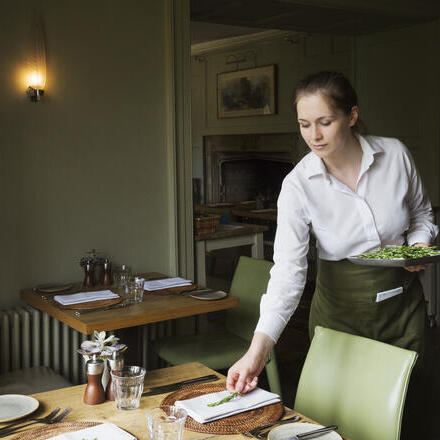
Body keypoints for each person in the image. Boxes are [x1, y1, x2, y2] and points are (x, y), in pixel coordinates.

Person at [226, 71, 438, 396]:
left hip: (402, 312)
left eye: (324, 122)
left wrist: (418, 245)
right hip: (339, 319)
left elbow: (422, 214)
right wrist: (257, 352)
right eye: (304, 124)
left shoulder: (395, 155)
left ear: (352, 115)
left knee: (408, 410)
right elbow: (287, 274)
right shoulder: (297, 185)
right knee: (341, 413)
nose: (314, 136)